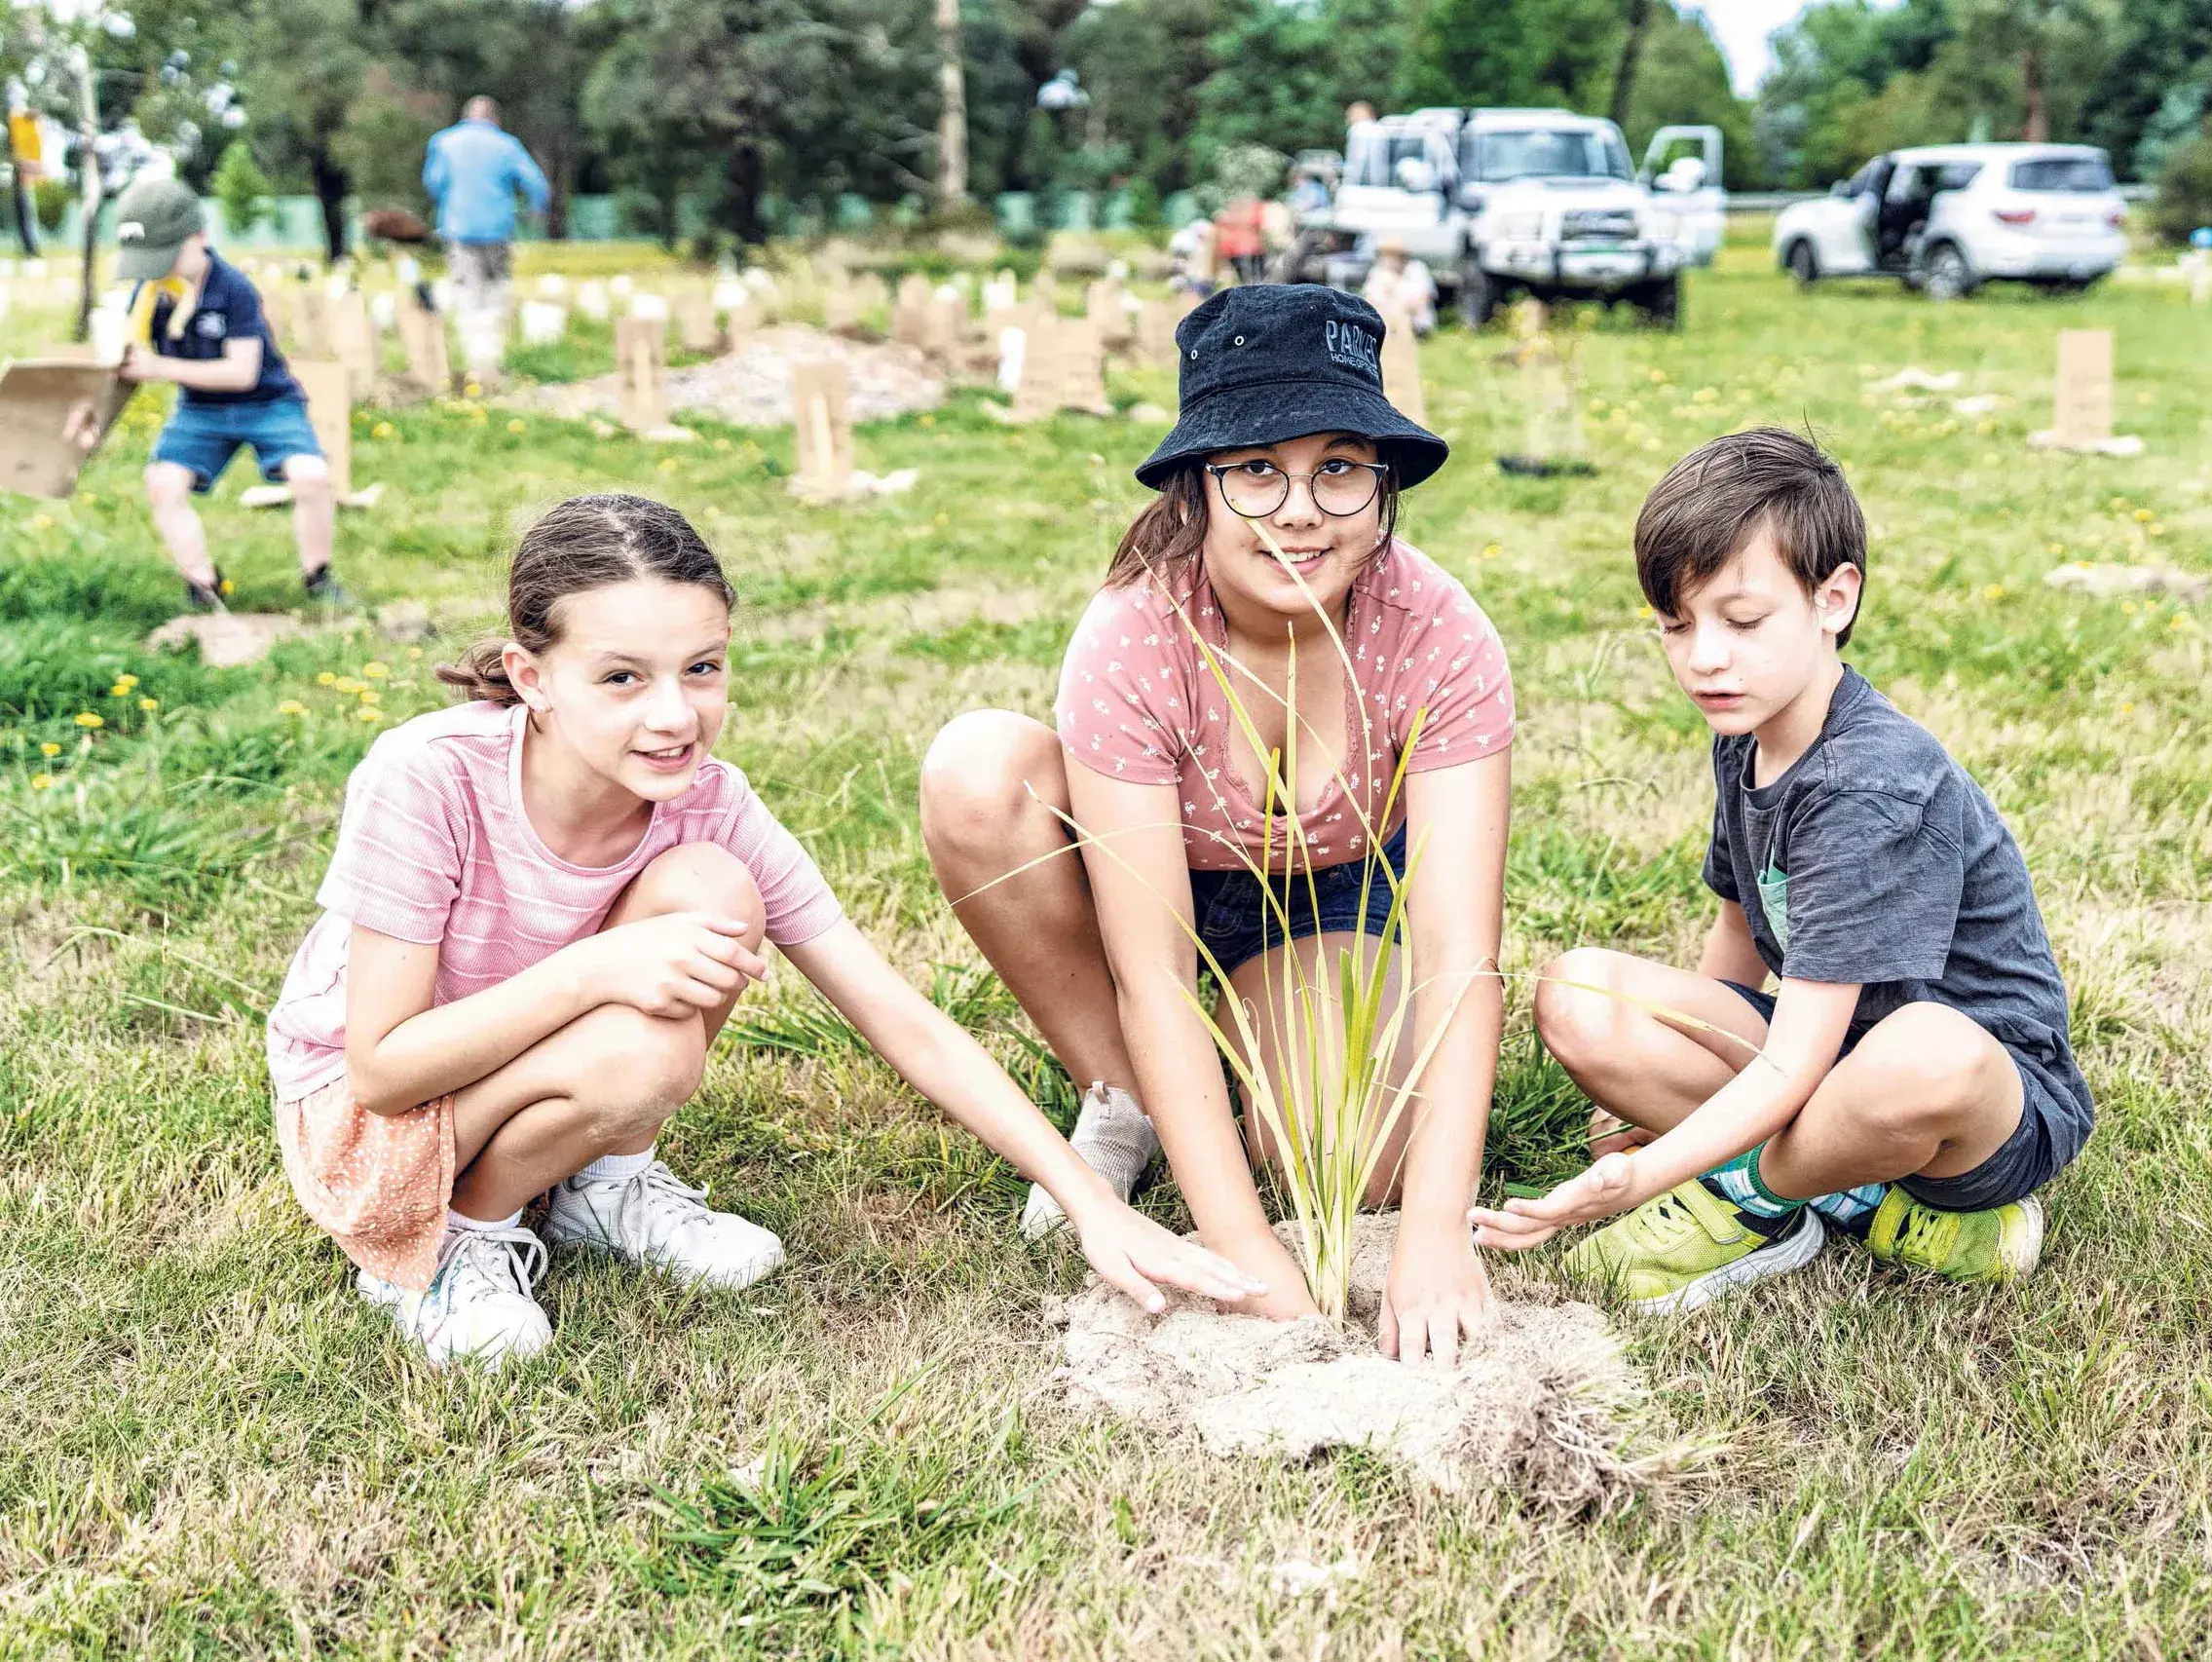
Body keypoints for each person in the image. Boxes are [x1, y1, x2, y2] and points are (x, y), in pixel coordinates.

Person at [265, 494, 1257, 1369]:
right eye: (621, 678)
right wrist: (599, 967)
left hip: (522, 1062)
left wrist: (1093, 1201)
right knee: (636, 1052)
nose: (673, 714)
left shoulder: (708, 800)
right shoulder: (427, 777)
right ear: (531, 677)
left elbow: (899, 1016)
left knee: (713, 885)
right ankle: (448, 1246)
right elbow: (384, 1069)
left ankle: (596, 1184)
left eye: (702, 667)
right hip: (375, 1123)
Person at [919, 286, 1514, 1364]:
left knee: (1344, 1160)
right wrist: (1240, 1243)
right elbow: (1150, 967)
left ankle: (1250, 1065)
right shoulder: (1136, 635)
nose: (1299, 510)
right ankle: (1127, 1098)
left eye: (1339, 466)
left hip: (1333, 894)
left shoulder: (1439, 634)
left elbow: (1462, 956)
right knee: (975, 772)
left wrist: (1432, 1227)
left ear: (1384, 484)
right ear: (1199, 485)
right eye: (1257, 471)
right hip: (1154, 888)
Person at [1469, 430, 2093, 1310]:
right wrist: (1650, 1086)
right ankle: (1857, 1200)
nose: (1704, 658)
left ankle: (1749, 1199)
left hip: (1972, 1108)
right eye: (1675, 626)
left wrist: (1649, 1172)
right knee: (1579, 996)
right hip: (1824, 1053)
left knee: (1923, 1050)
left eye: (1742, 621)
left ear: (1833, 599)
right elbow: (1737, 935)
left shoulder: (1869, 781)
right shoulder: (1748, 731)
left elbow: (1794, 1064)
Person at [108, 176, 350, 612]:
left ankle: (318, 576)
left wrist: (160, 368)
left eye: (164, 255)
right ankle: (203, 584)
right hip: (199, 408)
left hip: (267, 402)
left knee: (310, 475)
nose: (155, 269)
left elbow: (242, 372)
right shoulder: (150, 295)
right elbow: (129, 357)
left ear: (198, 237)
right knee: (163, 483)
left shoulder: (233, 289)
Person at [421, 97, 548, 384]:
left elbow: (433, 182)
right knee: (495, 289)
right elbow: (536, 183)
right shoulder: (507, 145)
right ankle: (491, 357)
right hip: (497, 230)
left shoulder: (444, 142)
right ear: (494, 119)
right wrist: (534, 211)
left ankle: (473, 357)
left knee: (467, 290)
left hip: (459, 228)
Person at [1361, 237, 1437, 336]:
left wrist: (1393, 288)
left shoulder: (1417, 270)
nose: (1387, 259)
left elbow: (1419, 303)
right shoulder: (1377, 272)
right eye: (1384, 255)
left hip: (1416, 325)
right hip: (1384, 324)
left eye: (1392, 255)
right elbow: (1369, 302)